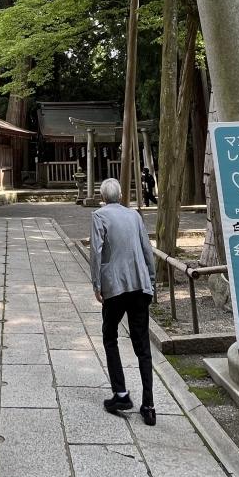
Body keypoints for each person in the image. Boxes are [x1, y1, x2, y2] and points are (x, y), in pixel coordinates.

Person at [89, 177, 156, 425]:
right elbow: (147, 248)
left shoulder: (99, 216)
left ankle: (121, 393)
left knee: (110, 336)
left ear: (102, 197)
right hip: (139, 284)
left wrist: (96, 284)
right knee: (143, 346)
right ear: (120, 196)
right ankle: (149, 406)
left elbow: (96, 252)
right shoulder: (135, 215)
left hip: (115, 286)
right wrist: (151, 280)